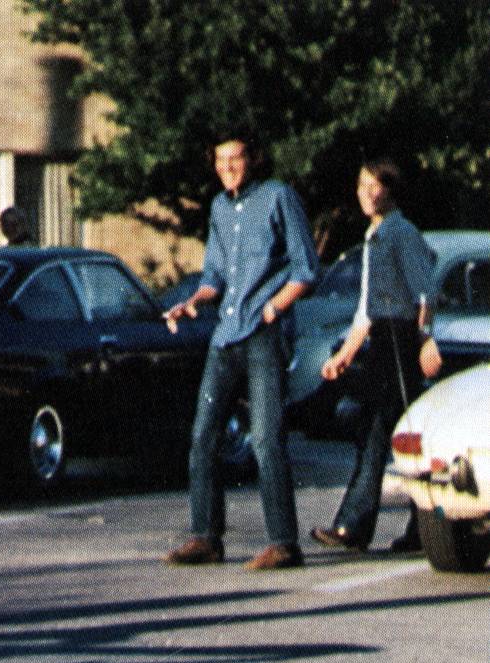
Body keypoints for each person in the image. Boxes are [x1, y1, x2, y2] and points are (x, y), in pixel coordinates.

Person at [164, 133, 320, 570]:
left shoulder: (277, 197)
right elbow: (215, 273)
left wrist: (274, 307)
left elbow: (306, 269)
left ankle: (284, 543)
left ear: (253, 158)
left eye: (236, 158)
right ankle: (206, 537)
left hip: (263, 333)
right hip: (226, 333)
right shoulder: (218, 207)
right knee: (203, 436)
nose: (228, 166)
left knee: (267, 438)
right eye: (220, 159)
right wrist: (194, 301)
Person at [311, 159, 434, 553]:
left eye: (375, 185)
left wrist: (425, 340)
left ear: (391, 190)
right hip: (382, 340)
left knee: (403, 434)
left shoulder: (402, 233)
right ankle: (366, 527)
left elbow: (425, 293)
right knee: (379, 432)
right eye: (361, 184)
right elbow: (366, 308)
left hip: (402, 341)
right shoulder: (373, 235)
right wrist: (345, 354)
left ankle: (383, 527)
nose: (365, 192)